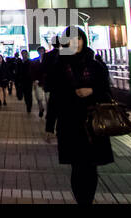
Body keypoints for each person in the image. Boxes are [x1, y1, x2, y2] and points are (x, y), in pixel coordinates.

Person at [45, 28, 114, 204]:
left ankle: (87, 201)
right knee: (77, 166)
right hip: (69, 121)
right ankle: (81, 201)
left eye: (79, 39)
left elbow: (107, 92)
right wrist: (49, 125)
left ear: (84, 40)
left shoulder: (95, 64)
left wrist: (92, 90)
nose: (75, 43)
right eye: (71, 40)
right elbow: (54, 97)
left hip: (93, 122)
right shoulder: (59, 66)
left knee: (91, 166)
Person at [13, 49, 34, 113]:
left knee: (28, 94)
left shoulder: (30, 62)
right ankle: (27, 104)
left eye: (25, 53)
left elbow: (32, 72)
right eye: (22, 54)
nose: (24, 55)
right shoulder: (19, 62)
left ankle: (29, 106)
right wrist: (16, 80)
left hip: (28, 81)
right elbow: (17, 72)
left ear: (27, 54)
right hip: (21, 81)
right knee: (24, 94)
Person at [31, 46, 49, 118]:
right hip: (38, 81)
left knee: (48, 99)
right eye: (40, 51)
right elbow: (32, 71)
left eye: (42, 51)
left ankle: (48, 112)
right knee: (39, 97)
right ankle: (41, 108)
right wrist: (34, 80)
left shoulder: (49, 60)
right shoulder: (35, 61)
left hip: (47, 82)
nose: (41, 52)